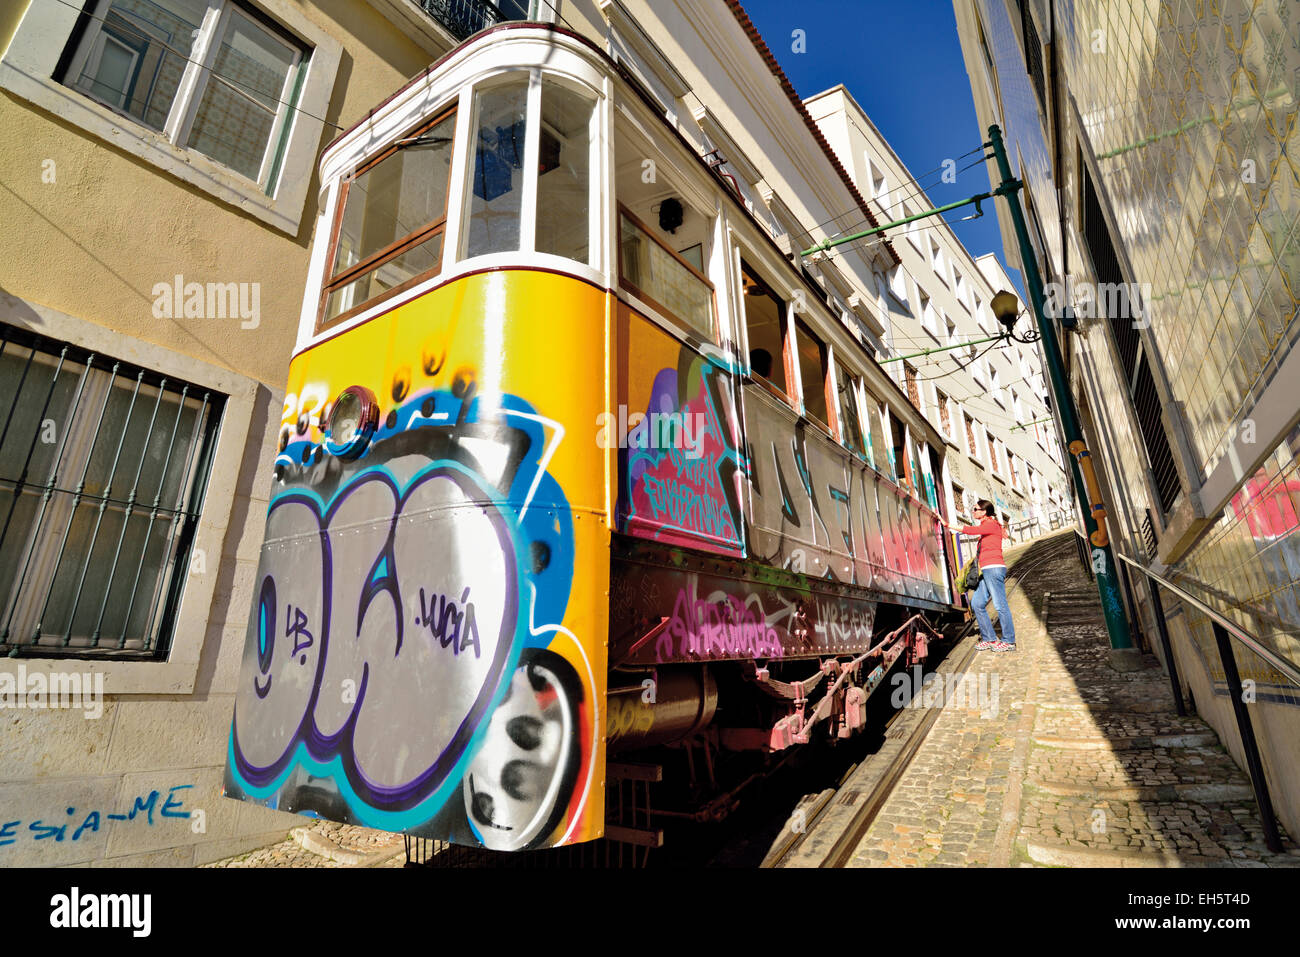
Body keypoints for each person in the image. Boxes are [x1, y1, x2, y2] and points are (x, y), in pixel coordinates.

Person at [946, 500, 1016, 651]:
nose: (973, 511)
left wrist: (947, 525)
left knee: (999, 604)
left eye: (976, 509)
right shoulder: (988, 526)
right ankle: (990, 638)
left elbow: (970, 530)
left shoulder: (991, 524)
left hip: (994, 568)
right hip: (985, 570)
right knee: (977, 603)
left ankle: (1009, 640)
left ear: (984, 512)